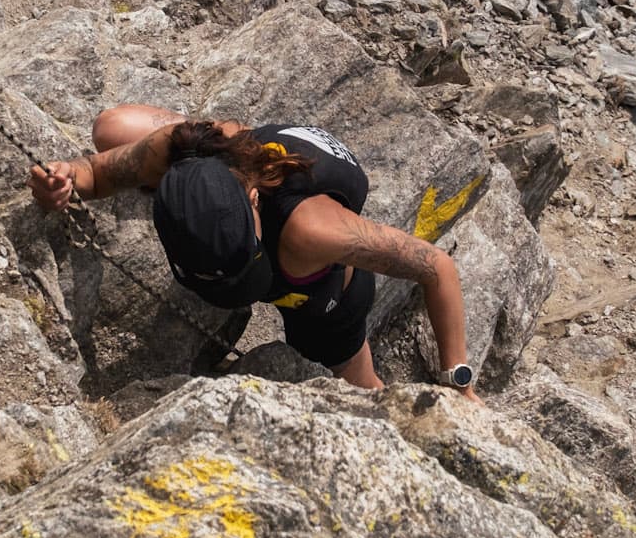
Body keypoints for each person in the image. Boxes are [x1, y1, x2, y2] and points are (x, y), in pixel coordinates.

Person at [28, 104, 481, 400]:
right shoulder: (180, 150)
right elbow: (93, 172)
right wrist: (63, 182)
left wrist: (456, 378)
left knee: (370, 397)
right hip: (237, 157)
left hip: (320, 296)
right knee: (111, 128)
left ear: (252, 200)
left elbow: (436, 267)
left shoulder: (315, 232)